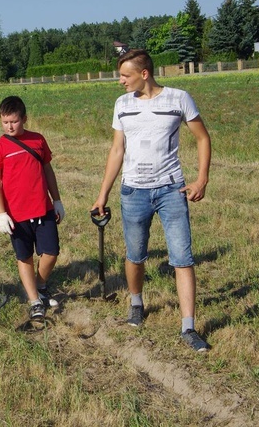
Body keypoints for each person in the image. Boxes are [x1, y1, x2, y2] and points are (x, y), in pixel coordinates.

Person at [91, 49, 211, 352]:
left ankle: (188, 327)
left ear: (144, 74)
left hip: (171, 190)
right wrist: (103, 194)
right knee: (136, 256)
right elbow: (117, 150)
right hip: (133, 192)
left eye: (125, 75)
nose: (120, 82)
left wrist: (202, 179)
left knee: (182, 258)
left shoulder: (178, 98)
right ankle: (136, 303)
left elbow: (202, 138)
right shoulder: (121, 104)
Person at [0, 96, 65, 321]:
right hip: (16, 214)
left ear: (24, 119)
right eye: (5, 122)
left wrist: (57, 200)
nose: (9, 126)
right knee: (25, 257)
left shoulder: (38, 141)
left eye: (14, 121)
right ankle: (34, 301)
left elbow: (48, 171)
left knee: (51, 253)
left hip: (43, 209)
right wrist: (1, 213)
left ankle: (40, 284)